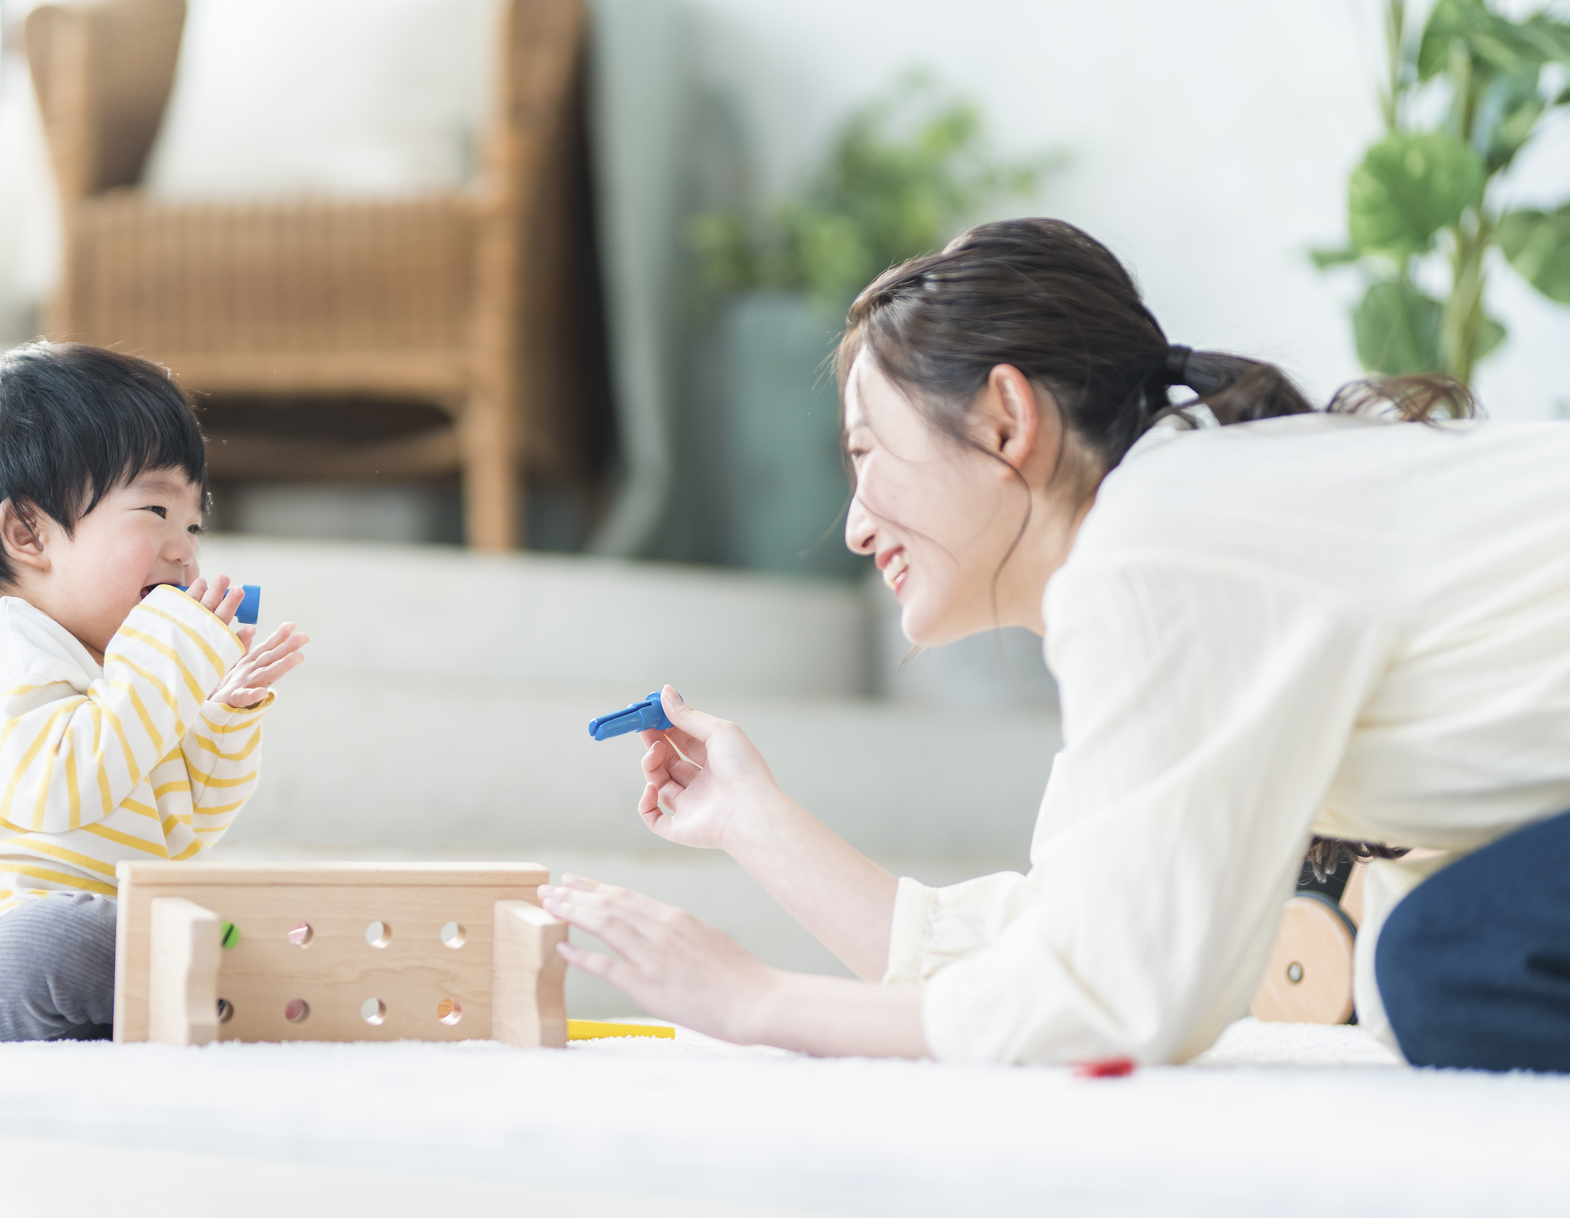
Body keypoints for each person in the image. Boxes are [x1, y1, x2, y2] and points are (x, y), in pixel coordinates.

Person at [540, 218, 1570, 1070]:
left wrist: (756, 1000)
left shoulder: (1166, 544)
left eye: (865, 454)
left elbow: (1122, 996)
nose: (854, 526)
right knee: (1439, 953)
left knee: (1450, 954)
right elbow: (1065, 939)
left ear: (1003, 420)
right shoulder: (1174, 523)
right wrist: (749, 819)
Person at [0, 342, 309, 1042]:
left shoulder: (134, 674)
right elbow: (59, 787)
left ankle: (218, 974)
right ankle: (225, 978)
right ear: (28, 531)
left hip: (117, 936)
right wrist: (165, 656)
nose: (185, 551)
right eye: (155, 512)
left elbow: (188, 826)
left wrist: (224, 717)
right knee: (65, 937)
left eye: (194, 524)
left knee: (204, 917)